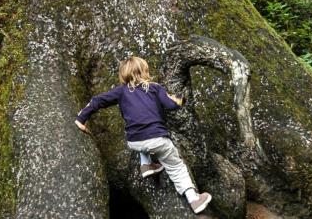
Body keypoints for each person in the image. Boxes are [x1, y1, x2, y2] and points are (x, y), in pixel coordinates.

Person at [74, 56, 212, 214]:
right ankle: (194, 200)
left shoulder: (121, 92)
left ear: (124, 75)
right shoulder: (154, 88)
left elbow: (98, 100)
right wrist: (179, 100)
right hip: (158, 139)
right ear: (144, 71)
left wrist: (80, 118)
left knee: (142, 138)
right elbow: (170, 105)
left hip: (135, 142)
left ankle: (146, 164)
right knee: (176, 167)